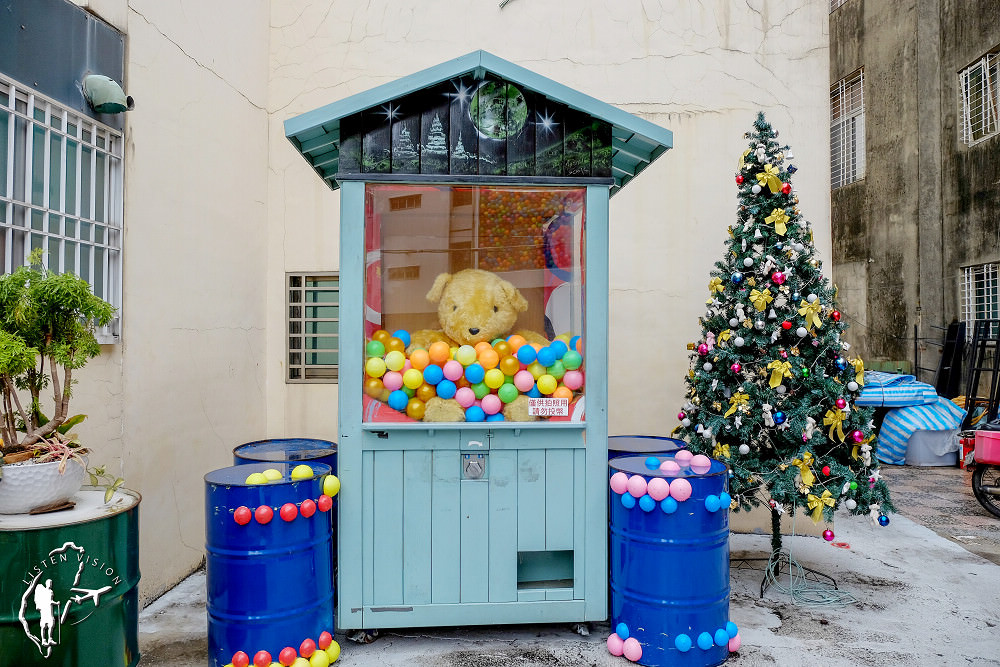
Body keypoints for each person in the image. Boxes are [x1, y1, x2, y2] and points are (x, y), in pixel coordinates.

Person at [33, 579, 57, 646]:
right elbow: (49, 601)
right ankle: (43, 640)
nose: (50, 584)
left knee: (51, 625)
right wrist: (56, 603)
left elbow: (50, 600)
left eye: (51, 583)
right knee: (43, 625)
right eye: (49, 583)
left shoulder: (51, 592)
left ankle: (50, 639)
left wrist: (54, 603)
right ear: (46, 584)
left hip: (50, 610)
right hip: (44, 610)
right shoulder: (43, 591)